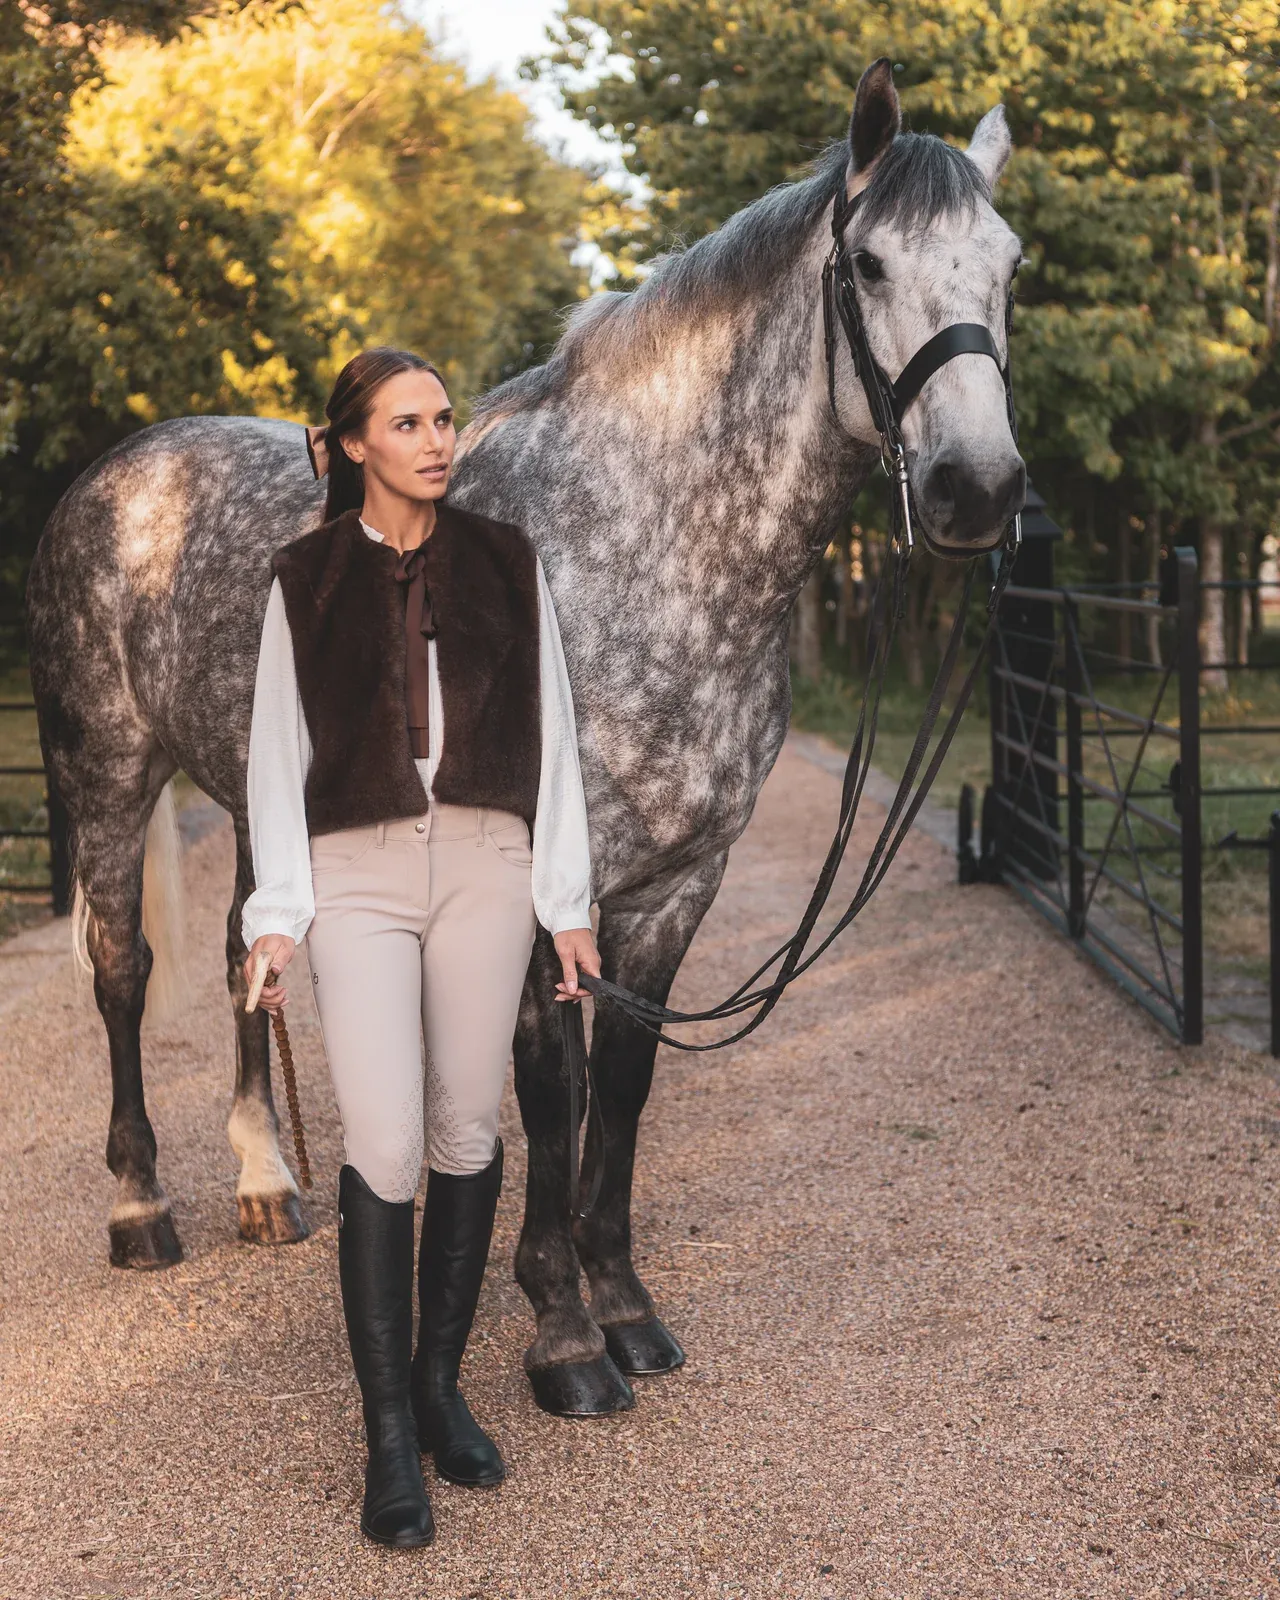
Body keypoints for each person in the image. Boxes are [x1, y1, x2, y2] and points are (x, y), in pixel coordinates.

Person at [240, 346, 599, 1550]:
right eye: (407, 423)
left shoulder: (506, 559)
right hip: (357, 871)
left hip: (488, 861)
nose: (437, 440)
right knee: (385, 1139)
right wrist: (276, 914)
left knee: (466, 1129)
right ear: (354, 444)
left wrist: (566, 902)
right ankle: (388, 1435)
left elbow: (554, 736)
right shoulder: (303, 579)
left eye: (444, 419)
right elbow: (273, 757)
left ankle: (438, 1388)